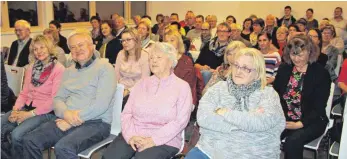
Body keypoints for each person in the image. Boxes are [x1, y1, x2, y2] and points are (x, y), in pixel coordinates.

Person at [21, 30, 116, 159]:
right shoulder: (68, 71)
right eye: (72, 47)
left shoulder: (105, 67)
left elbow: (100, 105)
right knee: (29, 140)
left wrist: (71, 120)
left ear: (92, 46)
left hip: (96, 122)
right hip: (66, 117)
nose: (77, 49)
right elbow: (58, 99)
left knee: (63, 148)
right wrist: (66, 114)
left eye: (81, 45)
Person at [185, 48, 285, 159]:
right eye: (236, 66)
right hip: (211, 150)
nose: (238, 71)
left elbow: (261, 122)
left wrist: (224, 112)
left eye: (245, 68)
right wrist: (246, 123)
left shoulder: (268, 94)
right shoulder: (217, 89)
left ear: (258, 72)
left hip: (253, 153)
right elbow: (203, 119)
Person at [102, 42, 193, 159]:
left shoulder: (182, 87)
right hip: (134, 133)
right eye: (151, 58)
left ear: (171, 62)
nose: (153, 61)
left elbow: (180, 121)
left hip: (166, 139)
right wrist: (130, 136)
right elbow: (126, 113)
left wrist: (153, 140)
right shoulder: (141, 83)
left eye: (159, 57)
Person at [1, 35, 65, 159]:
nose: (38, 51)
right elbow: (24, 92)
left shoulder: (59, 69)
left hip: (46, 112)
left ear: (49, 48)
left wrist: (29, 115)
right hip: (26, 107)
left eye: (42, 47)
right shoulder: (31, 67)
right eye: (35, 49)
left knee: (16, 135)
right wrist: (15, 109)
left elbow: (54, 100)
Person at [273, 35, 331, 159]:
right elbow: (275, 96)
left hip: (312, 120)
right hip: (286, 118)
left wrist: (300, 124)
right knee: (266, 135)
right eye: (293, 55)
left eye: (300, 55)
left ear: (309, 52)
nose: (296, 59)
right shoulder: (284, 69)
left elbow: (319, 107)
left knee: (292, 142)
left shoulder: (320, 73)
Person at [114, 28, 150, 107]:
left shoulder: (144, 55)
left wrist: (128, 91)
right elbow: (116, 76)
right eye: (123, 40)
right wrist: (117, 89)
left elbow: (144, 80)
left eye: (128, 40)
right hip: (121, 88)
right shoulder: (121, 54)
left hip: (138, 90)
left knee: (124, 103)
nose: (125, 43)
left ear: (136, 40)